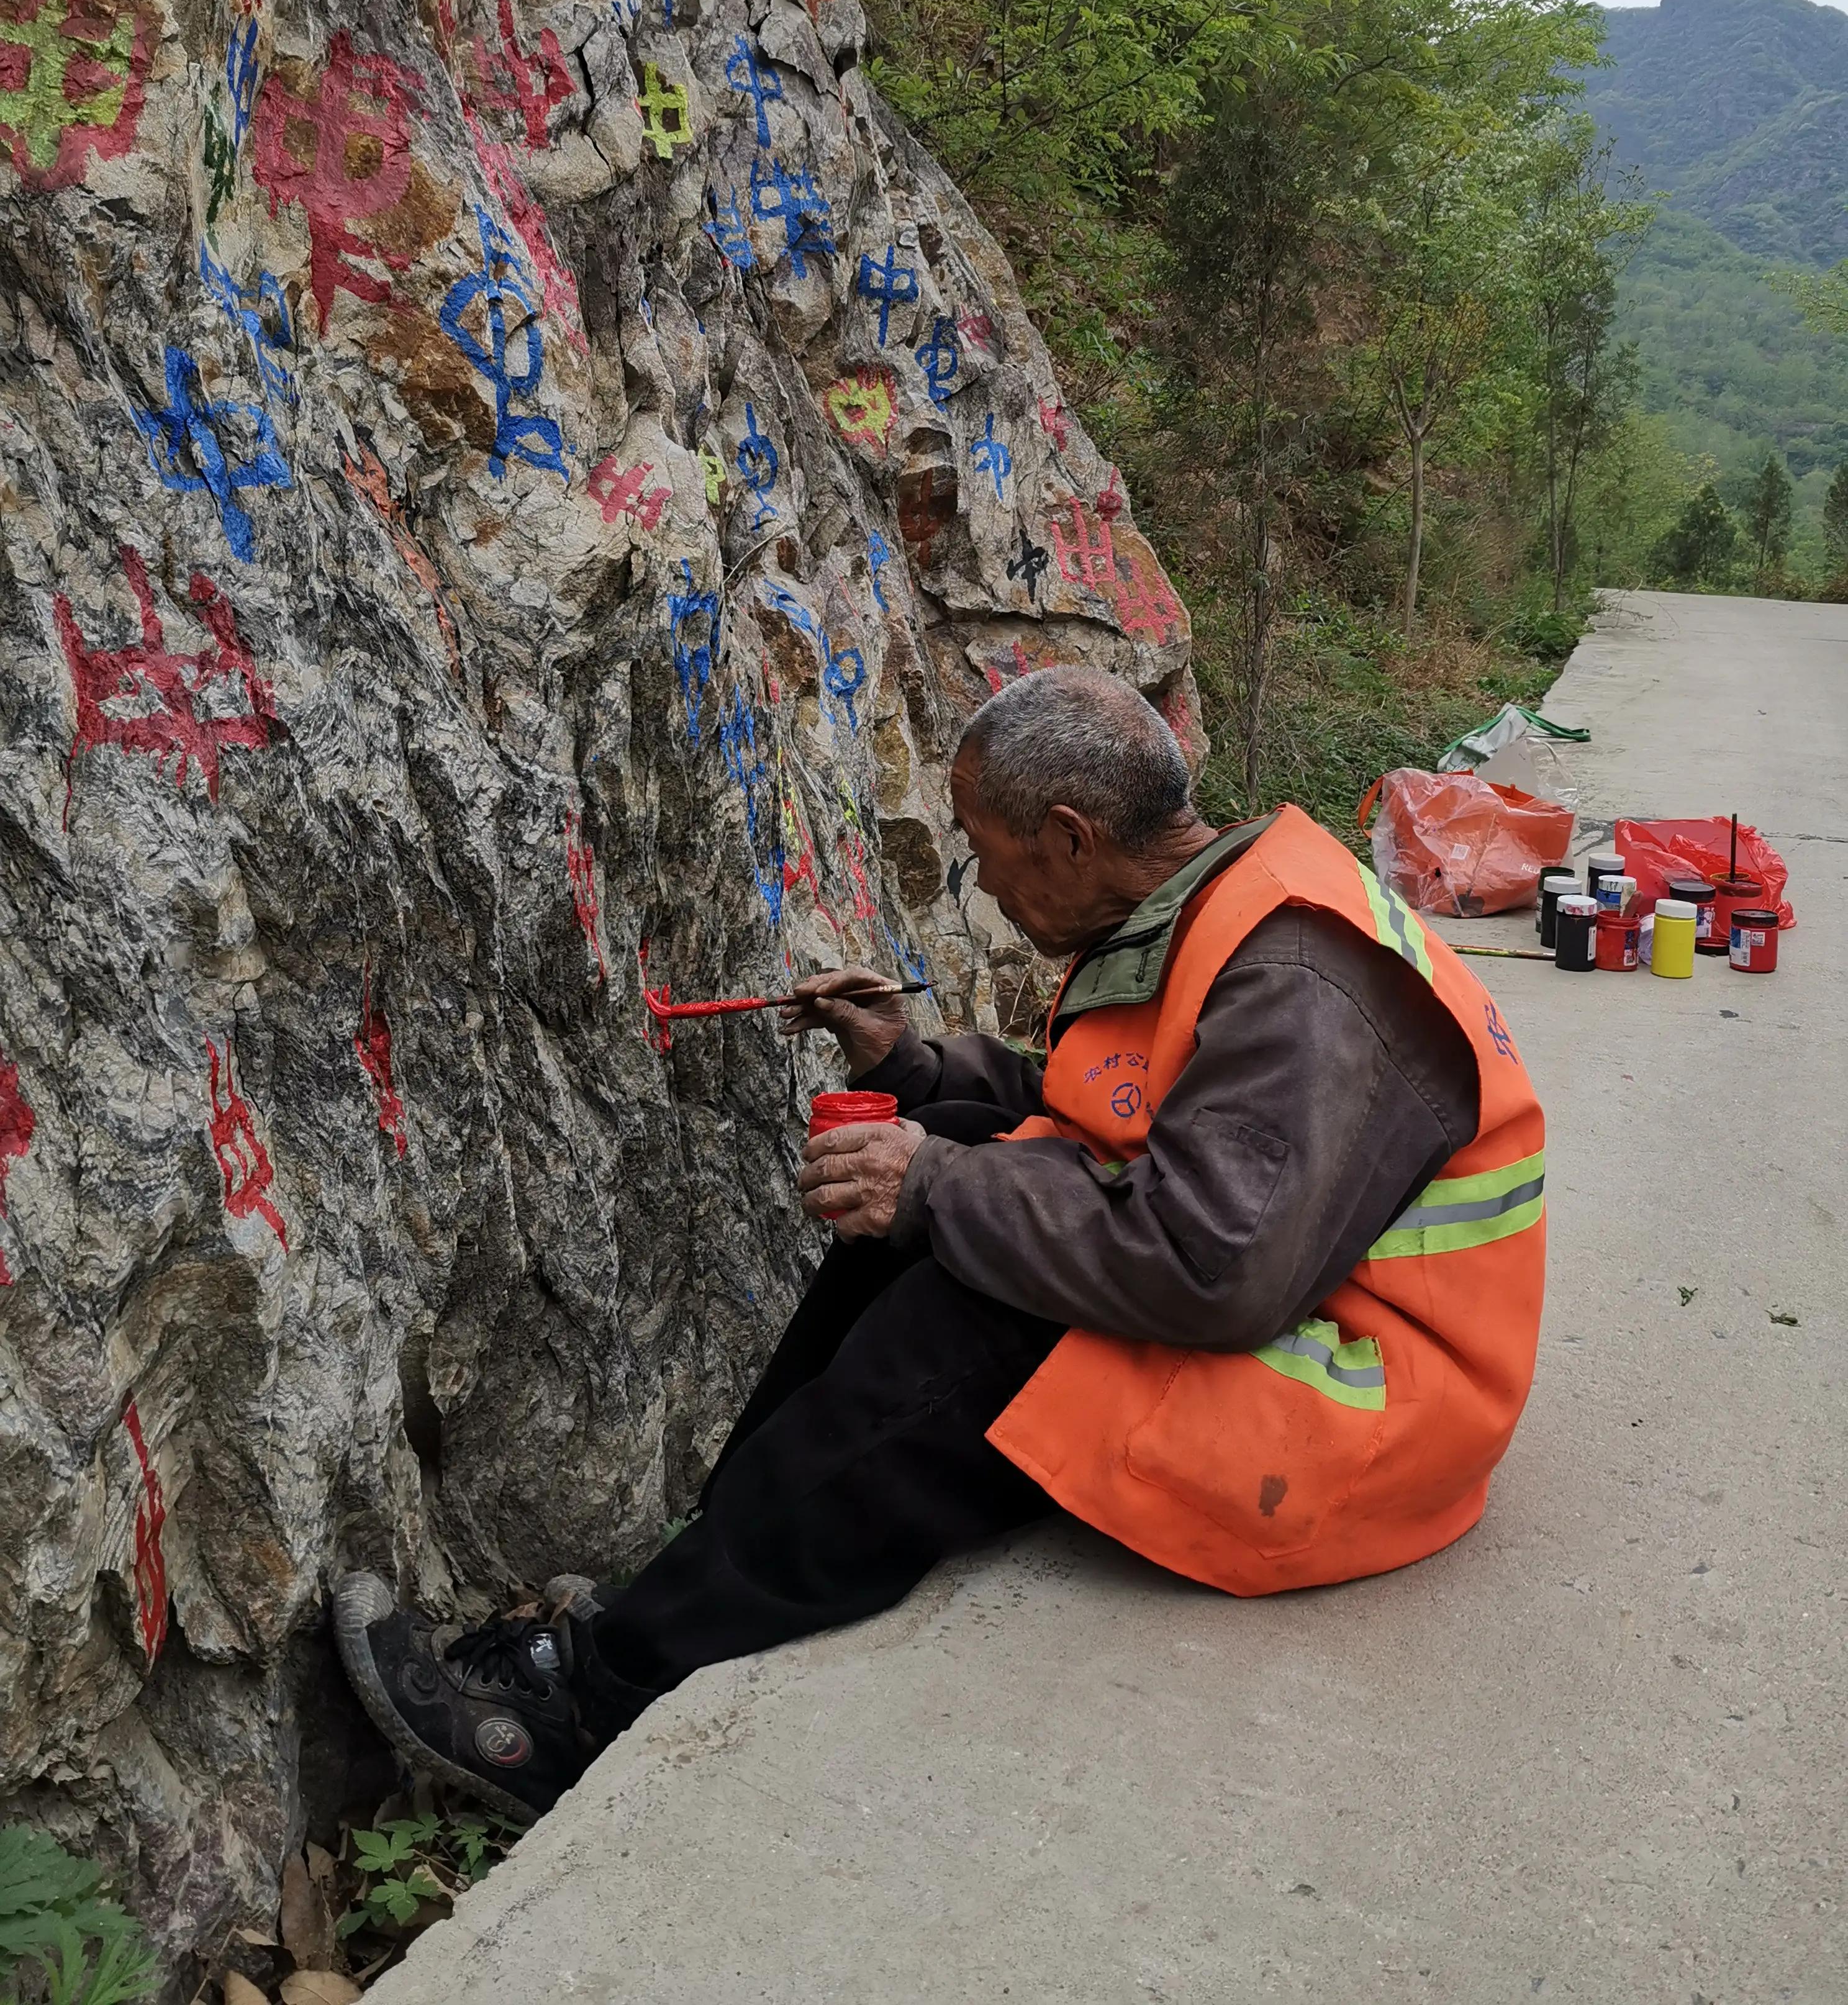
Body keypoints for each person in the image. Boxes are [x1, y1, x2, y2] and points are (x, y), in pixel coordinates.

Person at [335, 667, 1545, 1823]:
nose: (981, 878)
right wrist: (914, 1076)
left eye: (988, 847)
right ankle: (707, 1564)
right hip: (1301, 1308)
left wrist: (937, 1191)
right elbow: (1134, 1111)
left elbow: (1213, 1266)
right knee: (958, 1139)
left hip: (1365, 1413)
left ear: (1070, 835)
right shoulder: (1226, 904)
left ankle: (597, 1703)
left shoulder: (1300, 978)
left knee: (978, 1299)